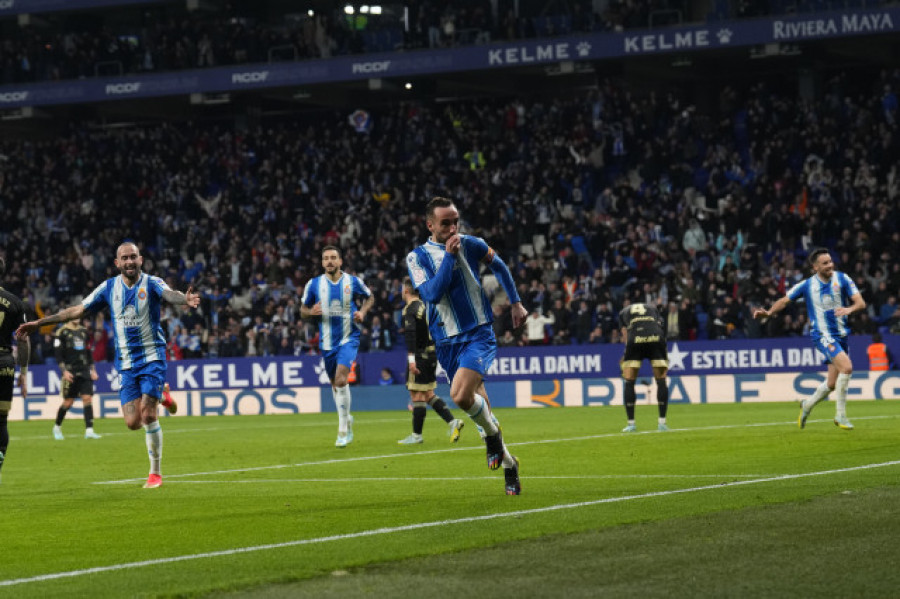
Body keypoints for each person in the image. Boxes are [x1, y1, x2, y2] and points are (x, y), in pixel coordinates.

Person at [17, 242, 196, 488]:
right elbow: (77, 311)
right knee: (132, 423)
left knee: (148, 414)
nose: (130, 261)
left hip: (152, 356)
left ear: (141, 260)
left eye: (134, 257)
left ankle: (155, 473)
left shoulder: (152, 283)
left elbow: (170, 294)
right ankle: (163, 395)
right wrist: (39, 324)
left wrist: (183, 299)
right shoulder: (109, 288)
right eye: (125, 258)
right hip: (125, 363)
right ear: (117, 263)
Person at [406, 197, 528, 495]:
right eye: (445, 223)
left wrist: (516, 302)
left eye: (455, 221)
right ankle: (510, 464)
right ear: (430, 225)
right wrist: (449, 257)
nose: (452, 228)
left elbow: (499, 266)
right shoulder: (417, 258)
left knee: (461, 396)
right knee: (484, 415)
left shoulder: (472, 244)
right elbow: (432, 294)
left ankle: (492, 441)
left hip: (478, 333)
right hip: (446, 341)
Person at [753, 248, 866, 430]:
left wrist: (849, 309)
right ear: (815, 267)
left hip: (842, 335)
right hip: (822, 335)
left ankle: (807, 405)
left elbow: (860, 302)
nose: (830, 265)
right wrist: (768, 313)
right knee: (847, 367)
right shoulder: (807, 285)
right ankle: (840, 416)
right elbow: (784, 300)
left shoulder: (843, 278)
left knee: (831, 383)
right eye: (825, 263)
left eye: (830, 261)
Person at [300, 245, 373, 448]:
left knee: (341, 379)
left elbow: (370, 297)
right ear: (322, 262)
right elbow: (302, 309)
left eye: (333, 257)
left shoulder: (352, 281)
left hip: (349, 337)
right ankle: (347, 418)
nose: (330, 261)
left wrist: (363, 312)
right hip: (327, 342)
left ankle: (343, 429)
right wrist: (310, 312)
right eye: (326, 258)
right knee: (335, 384)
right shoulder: (314, 285)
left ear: (340, 261)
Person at [397, 276, 465, 445]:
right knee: (428, 394)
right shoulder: (426, 306)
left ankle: (416, 435)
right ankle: (452, 422)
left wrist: (411, 359)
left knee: (417, 394)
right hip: (432, 353)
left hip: (419, 355)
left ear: (405, 290)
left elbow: (411, 334)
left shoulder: (410, 309)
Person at [618, 302, 670, 432]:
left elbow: (625, 333)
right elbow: (662, 327)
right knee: (661, 380)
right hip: (656, 337)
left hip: (635, 339)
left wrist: (626, 354)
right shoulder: (653, 309)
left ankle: (631, 424)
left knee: (629, 381)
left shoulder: (623, 313)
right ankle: (662, 423)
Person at [1, 257, 30, 484]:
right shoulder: (15, 302)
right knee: (1, 421)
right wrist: (24, 373)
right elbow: (23, 341)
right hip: (5, 364)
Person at [51, 319, 102, 440]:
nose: (77, 317)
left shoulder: (84, 331)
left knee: (87, 398)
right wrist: (64, 371)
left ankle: (89, 430)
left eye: (79, 315)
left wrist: (93, 369)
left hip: (84, 371)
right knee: (68, 402)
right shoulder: (61, 332)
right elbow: (58, 355)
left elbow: (89, 353)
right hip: (70, 371)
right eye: (74, 315)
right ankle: (57, 426)